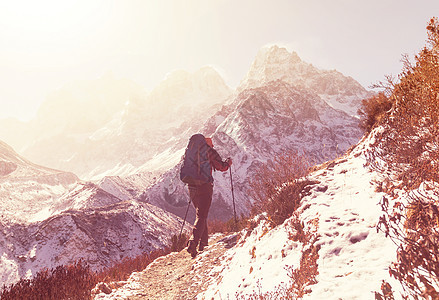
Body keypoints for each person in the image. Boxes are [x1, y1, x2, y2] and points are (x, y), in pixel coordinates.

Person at [186, 136, 232, 258]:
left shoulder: (191, 151)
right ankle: (193, 242)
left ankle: (203, 244)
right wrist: (228, 163)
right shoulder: (209, 151)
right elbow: (221, 166)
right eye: (211, 144)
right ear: (207, 143)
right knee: (202, 215)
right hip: (205, 186)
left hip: (191, 187)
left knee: (201, 214)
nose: (213, 146)